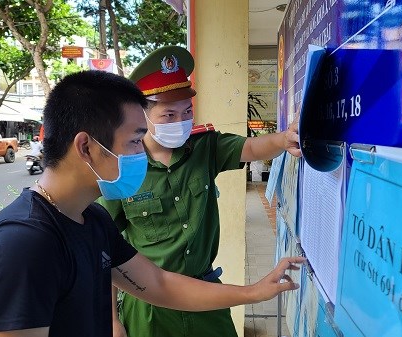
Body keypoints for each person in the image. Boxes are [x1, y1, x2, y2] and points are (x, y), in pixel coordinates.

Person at [0, 70, 304, 337]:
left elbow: (158, 284)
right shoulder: (21, 245)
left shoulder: (93, 221)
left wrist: (254, 292)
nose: (140, 154)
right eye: (133, 142)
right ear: (86, 147)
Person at [97, 46, 302, 337]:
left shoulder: (204, 147)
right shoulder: (123, 169)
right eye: (168, 114)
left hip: (206, 296)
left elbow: (251, 147)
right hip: (148, 305)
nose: (179, 121)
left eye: (186, 112)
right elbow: (104, 249)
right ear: (142, 116)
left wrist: (284, 139)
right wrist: (113, 322)